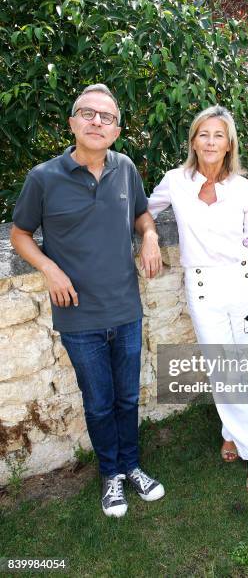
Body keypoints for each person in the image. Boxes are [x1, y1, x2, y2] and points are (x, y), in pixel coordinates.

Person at [10, 84, 165, 517]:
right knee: (98, 403)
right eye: (88, 113)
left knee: (128, 399)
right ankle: (111, 476)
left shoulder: (126, 168)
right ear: (73, 122)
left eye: (107, 117)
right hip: (79, 319)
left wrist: (150, 236)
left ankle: (132, 466)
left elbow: (142, 214)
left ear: (116, 130)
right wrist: (49, 267)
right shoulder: (43, 178)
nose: (97, 122)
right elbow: (20, 235)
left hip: (126, 310)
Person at [148, 105, 248, 494]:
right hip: (203, 288)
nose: (210, 141)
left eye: (218, 135)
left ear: (229, 144)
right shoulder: (175, 181)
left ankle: (230, 432)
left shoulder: (243, 189)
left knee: (243, 365)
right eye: (203, 134)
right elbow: (142, 213)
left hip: (242, 285)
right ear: (193, 140)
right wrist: (151, 236)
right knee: (224, 370)